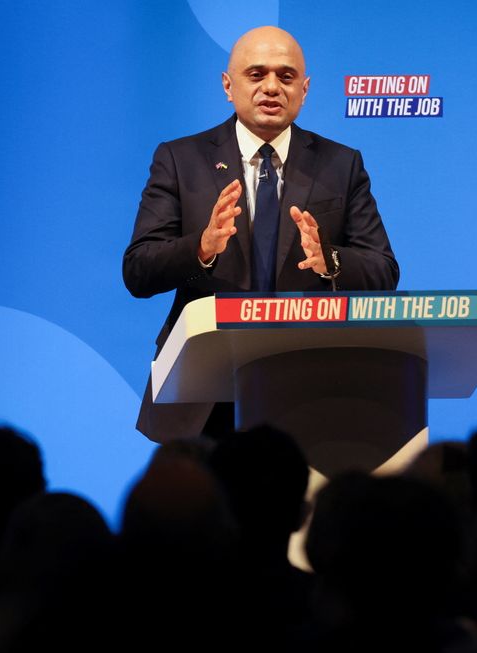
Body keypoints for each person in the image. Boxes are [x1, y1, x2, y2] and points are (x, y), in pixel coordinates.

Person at [123, 26, 399, 443]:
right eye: (256, 74)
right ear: (228, 85)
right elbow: (139, 271)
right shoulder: (180, 159)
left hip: (309, 384)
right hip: (206, 391)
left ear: (304, 89)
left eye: (286, 76)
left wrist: (332, 262)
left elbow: (384, 270)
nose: (272, 87)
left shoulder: (342, 165)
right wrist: (201, 248)